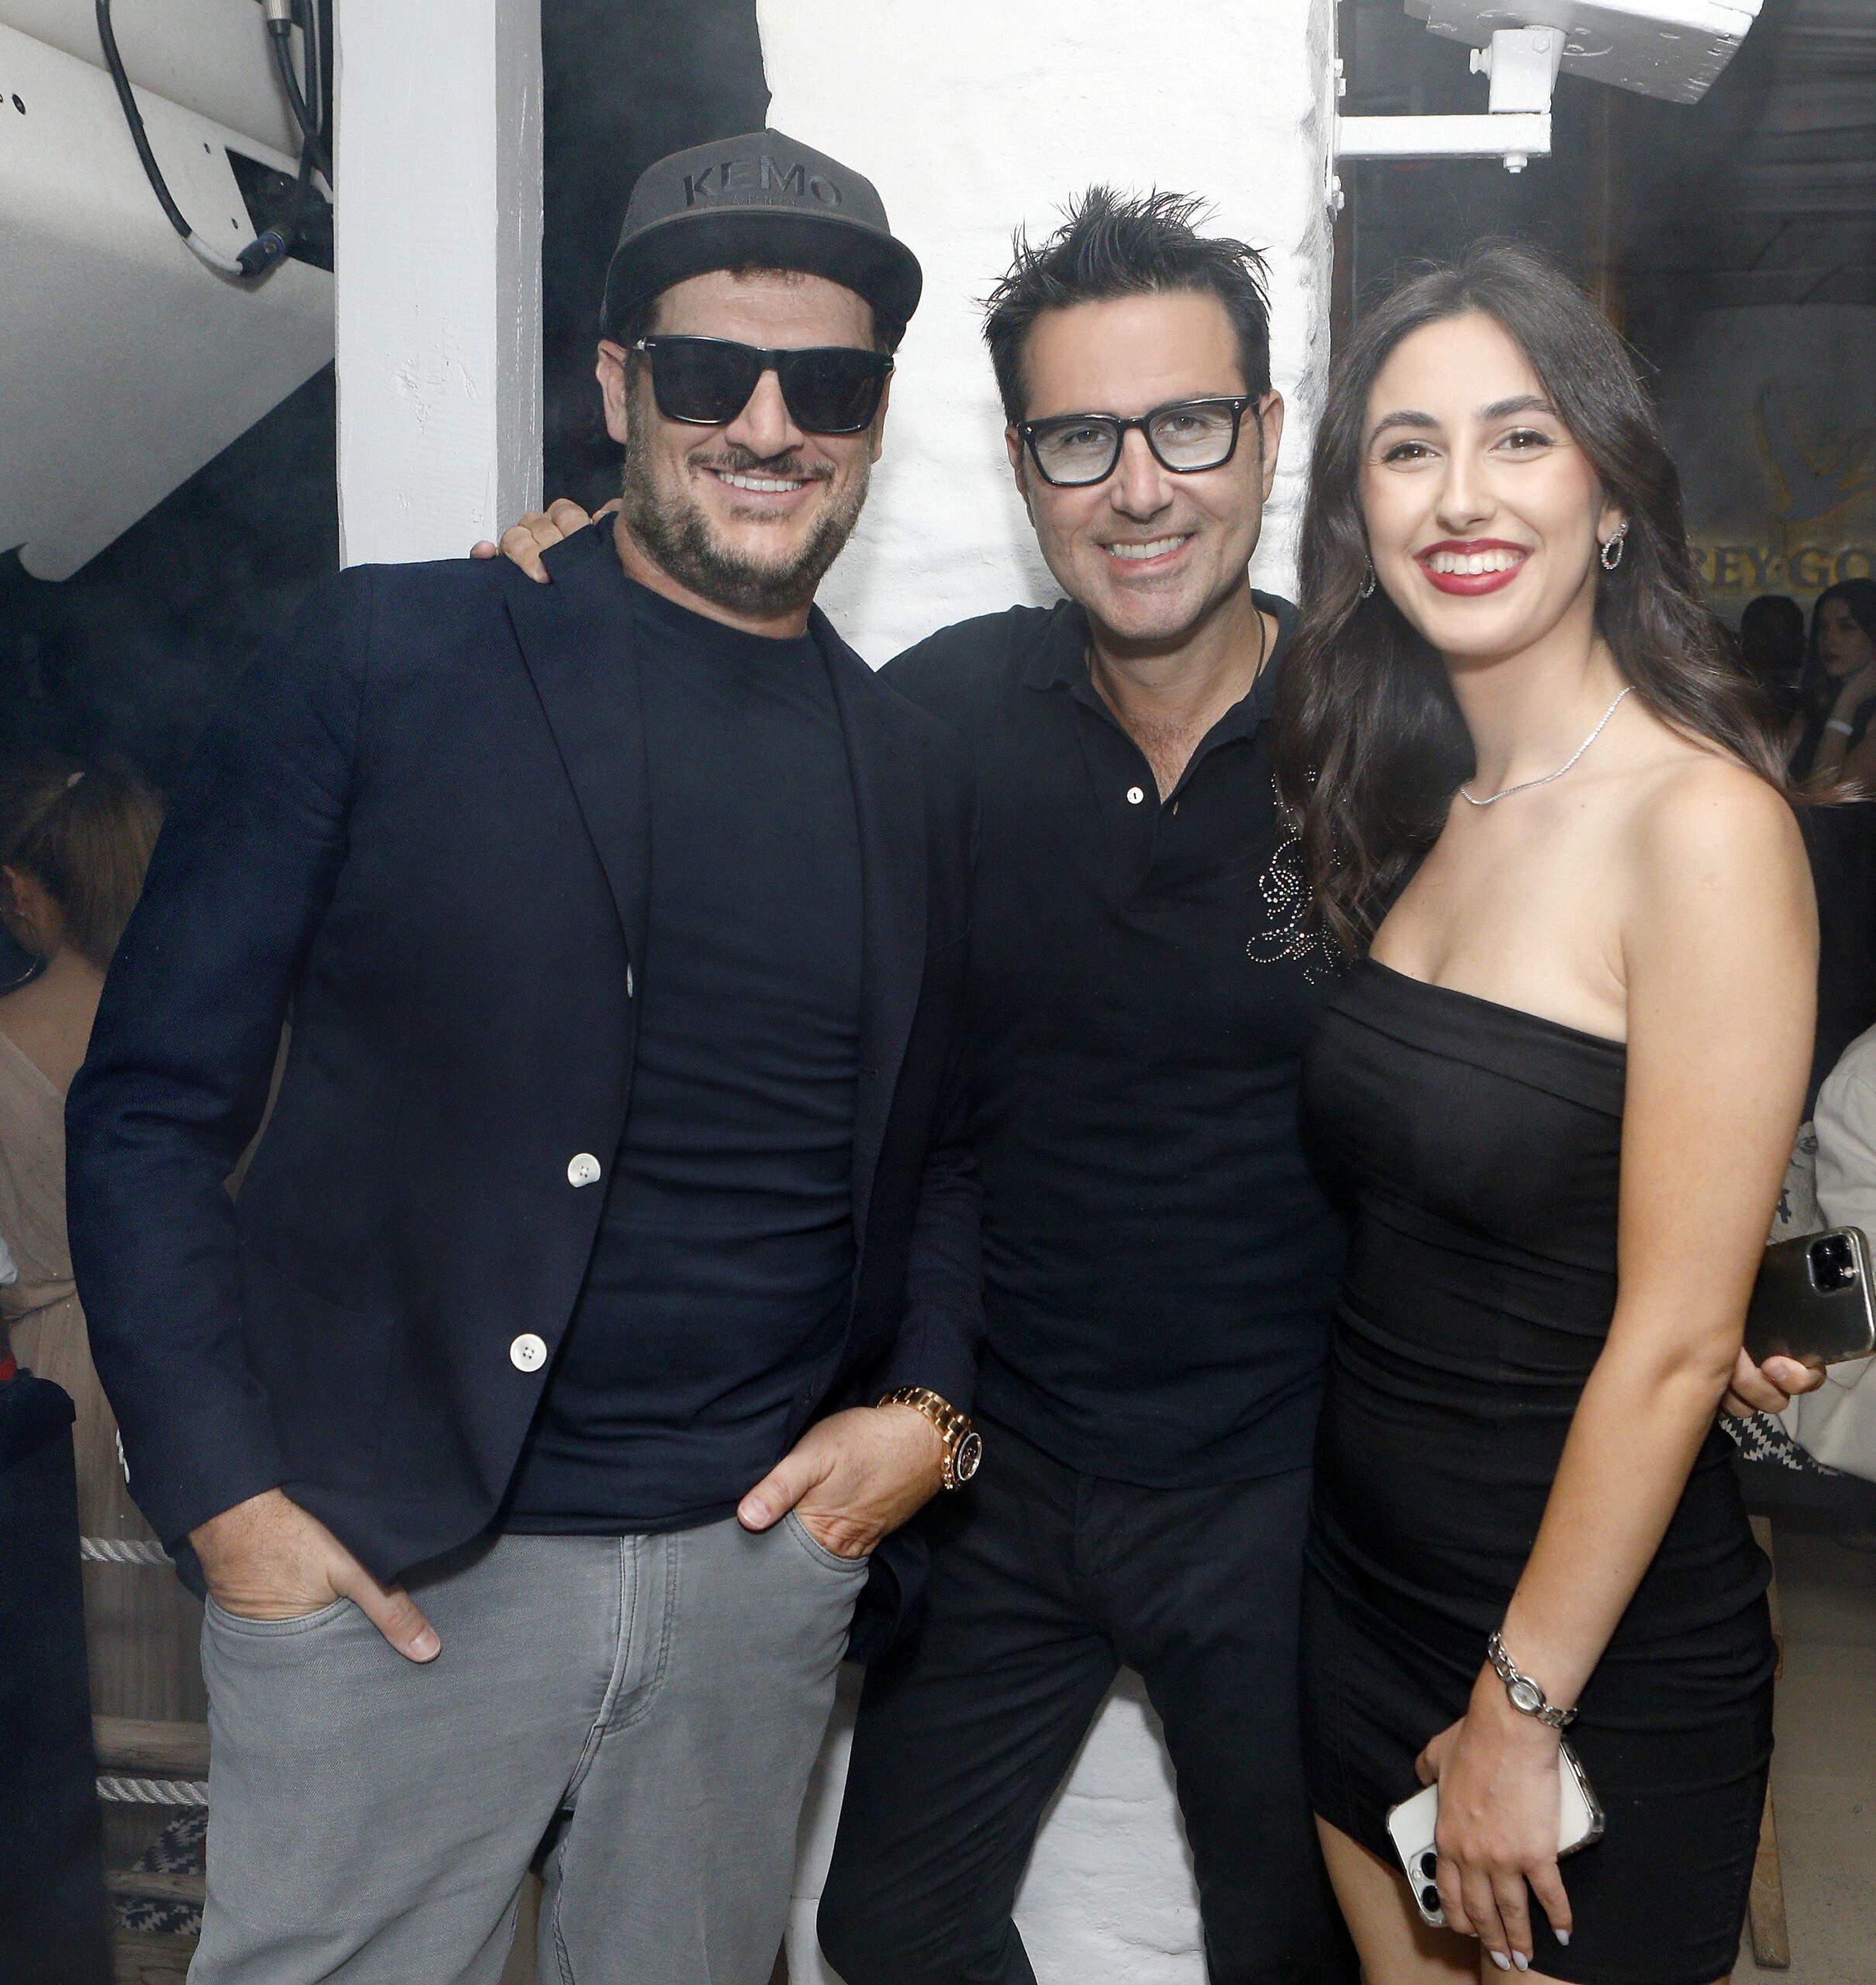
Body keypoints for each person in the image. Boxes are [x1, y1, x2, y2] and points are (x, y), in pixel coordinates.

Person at [486, 195, 1819, 1985]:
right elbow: (729, 774)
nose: (1137, 487)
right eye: (1076, 438)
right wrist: (595, 588)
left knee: (1291, 1949)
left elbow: (1564, 1073)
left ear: (1264, 438)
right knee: (887, 1923)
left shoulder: (1399, 732)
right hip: (1006, 1466)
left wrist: (1713, 1295)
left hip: (1287, 1489)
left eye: (1187, 425)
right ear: (1019, 466)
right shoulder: (933, 720)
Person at [65, 129, 982, 1985]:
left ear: (875, 418)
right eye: (710, 372)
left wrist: (928, 1414)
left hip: (752, 1589)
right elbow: (149, 1104)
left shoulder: (905, 766)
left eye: (825, 386)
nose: (768, 425)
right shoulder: (388, 658)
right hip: (390, 1573)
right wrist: (227, 1499)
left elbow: (940, 1147)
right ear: (619, 384)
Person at [1277, 243, 1814, 1985]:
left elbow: (1675, 1339)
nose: (1461, 495)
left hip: (1577, 1660)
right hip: (1364, 1597)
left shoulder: (1701, 825)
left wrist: (1519, 1710)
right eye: (1407, 448)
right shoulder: (1423, 800)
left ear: (1610, 494)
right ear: (1359, 514)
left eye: (1518, 437)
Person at [0, 759, 197, 1730]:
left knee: (68, 1661)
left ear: (20, 889)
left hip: (47, 1384)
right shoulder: (227, 1026)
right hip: (202, 1363)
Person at [1787, 577, 1876, 782]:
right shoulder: (1813, 706)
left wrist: (1848, 701)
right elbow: (1776, 782)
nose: (1829, 638)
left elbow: (1826, 792)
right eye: (1823, 628)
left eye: (1847, 627)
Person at [1737, 593, 1803, 720]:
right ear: (1761, 638)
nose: (1802, 640)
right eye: (1792, 632)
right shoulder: (1736, 698)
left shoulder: (1793, 699)